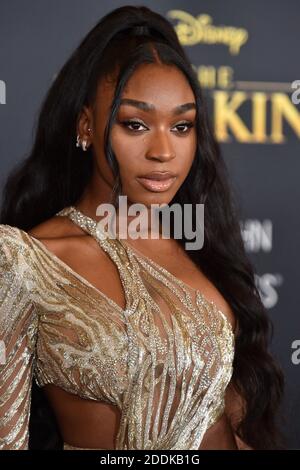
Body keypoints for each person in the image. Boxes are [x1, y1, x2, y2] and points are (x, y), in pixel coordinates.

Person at [0, 5, 285, 450]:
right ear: (86, 127)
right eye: (135, 124)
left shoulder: (199, 243)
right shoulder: (25, 260)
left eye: (182, 126)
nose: (163, 151)